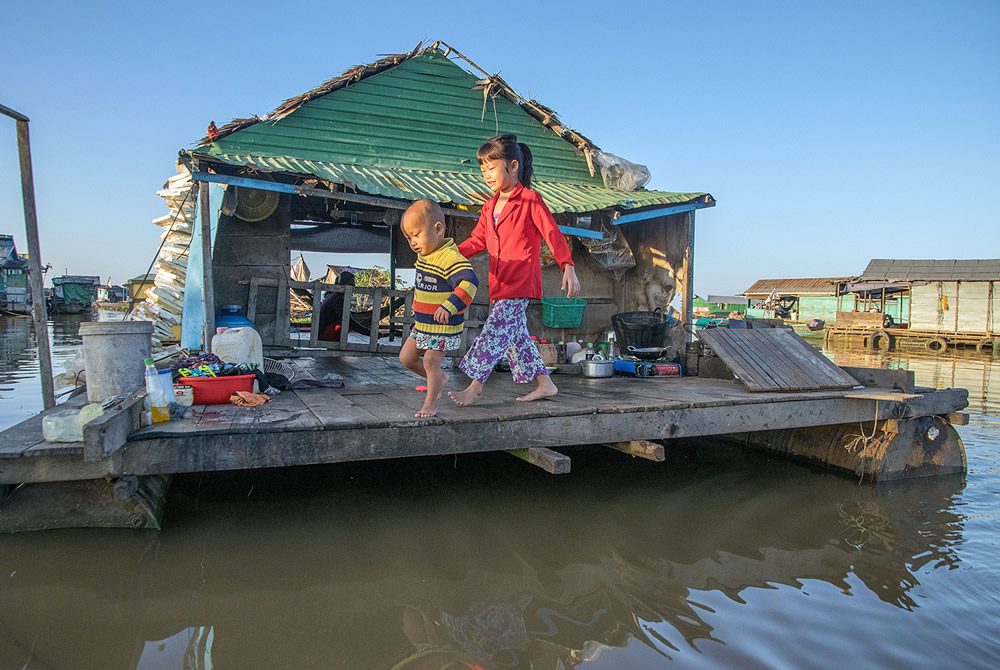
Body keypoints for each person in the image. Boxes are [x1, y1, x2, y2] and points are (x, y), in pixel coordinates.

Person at [449, 134, 580, 407]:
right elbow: (477, 241)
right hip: (499, 282)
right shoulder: (489, 206)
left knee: (494, 330)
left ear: (513, 166)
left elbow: (552, 233)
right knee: (515, 338)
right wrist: (448, 254)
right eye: (483, 169)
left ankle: (475, 387)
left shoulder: (531, 199)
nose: (486, 174)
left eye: (491, 168)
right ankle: (546, 384)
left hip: (520, 280)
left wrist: (568, 266)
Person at [398, 199, 479, 418]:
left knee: (430, 360)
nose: (413, 242)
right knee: (406, 358)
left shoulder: (450, 258)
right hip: (423, 325)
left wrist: (450, 305)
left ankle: (431, 403)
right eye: (408, 238)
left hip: (443, 327)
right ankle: (439, 379)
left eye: (416, 234)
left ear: (438, 229)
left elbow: (469, 283)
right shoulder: (425, 255)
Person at [317, 271, 355, 341]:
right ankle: (336, 342)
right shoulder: (337, 298)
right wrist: (369, 333)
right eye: (350, 285)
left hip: (321, 332)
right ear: (343, 284)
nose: (352, 288)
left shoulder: (334, 295)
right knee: (344, 322)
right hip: (323, 335)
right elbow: (349, 321)